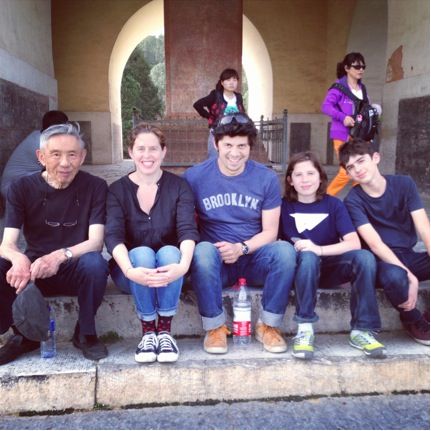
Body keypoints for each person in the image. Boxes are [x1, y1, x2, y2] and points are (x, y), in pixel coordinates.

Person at [184, 113, 296, 354]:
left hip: (254, 256)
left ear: (250, 147)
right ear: (216, 144)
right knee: (201, 250)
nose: (235, 153)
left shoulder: (265, 178)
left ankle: (268, 326)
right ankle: (215, 328)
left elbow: (270, 232)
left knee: (285, 251)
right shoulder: (195, 177)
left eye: (242, 146)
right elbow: (184, 224)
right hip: (216, 261)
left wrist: (241, 248)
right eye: (228, 145)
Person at [0, 122, 109, 364]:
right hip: (35, 269)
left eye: (72, 155)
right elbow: (7, 243)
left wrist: (60, 256)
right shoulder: (21, 188)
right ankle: (21, 334)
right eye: (56, 154)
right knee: (1, 265)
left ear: (82, 157)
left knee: (96, 264)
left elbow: (96, 241)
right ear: (41, 157)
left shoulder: (96, 187)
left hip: (74, 266)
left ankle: (86, 333)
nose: (65, 163)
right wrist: (18, 258)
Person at [105, 123, 199, 363]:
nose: (147, 155)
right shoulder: (117, 190)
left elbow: (187, 230)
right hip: (131, 272)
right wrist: (129, 270)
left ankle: (164, 332)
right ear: (131, 152)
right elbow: (113, 236)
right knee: (143, 253)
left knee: (169, 251)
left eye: (154, 149)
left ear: (163, 152)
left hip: (172, 271)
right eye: (141, 149)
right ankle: (148, 331)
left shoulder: (179, 187)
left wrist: (183, 266)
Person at [279, 151, 385, 360]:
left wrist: (319, 249)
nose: (305, 179)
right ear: (290, 180)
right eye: (298, 175)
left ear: (320, 177)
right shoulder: (283, 206)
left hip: (329, 266)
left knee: (364, 257)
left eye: (310, 173)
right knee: (308, 257)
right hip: (300, 271)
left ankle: (362, 330)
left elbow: (353, 243)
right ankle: (305, 328)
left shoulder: (334, 205)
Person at [339, 139, 430, 345]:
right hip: (380, 262)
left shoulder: (404, 184)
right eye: (351, 167)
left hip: (408, 254)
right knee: (396, 276)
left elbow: (424, 228)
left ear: (376, 158)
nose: (358, 169)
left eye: (361, 161)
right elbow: (375, 244)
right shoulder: (353, 200)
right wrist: (410, 276)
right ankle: (412, 319)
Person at [322, 52, 369, 196]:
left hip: (359, 135)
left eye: (363, 66)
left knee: (359, 169)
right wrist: (343, 117)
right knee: (346, 171)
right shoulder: (338, 88)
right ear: (347, 68)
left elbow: (366, 110)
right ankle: (325, 199)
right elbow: (326, 106)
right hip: (342, 134)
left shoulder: (363, 89)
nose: (360, 69)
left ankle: (359, 201)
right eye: (357, 66)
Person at [0, 110, 69, 202]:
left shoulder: (40, 135)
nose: (68, 128)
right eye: (66, 125)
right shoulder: (41, 144)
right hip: (11, 189)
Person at [193, 68, 245, 159]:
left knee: (232, 160)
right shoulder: (215, 95)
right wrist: (209, 116)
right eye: (228, 80)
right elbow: (197, 105)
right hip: (217, 134)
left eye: (234, 80)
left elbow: (242, 113)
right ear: (222, 82)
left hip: (235, 136)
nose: (231, 82)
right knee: (214, 160)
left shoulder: (238, 97)